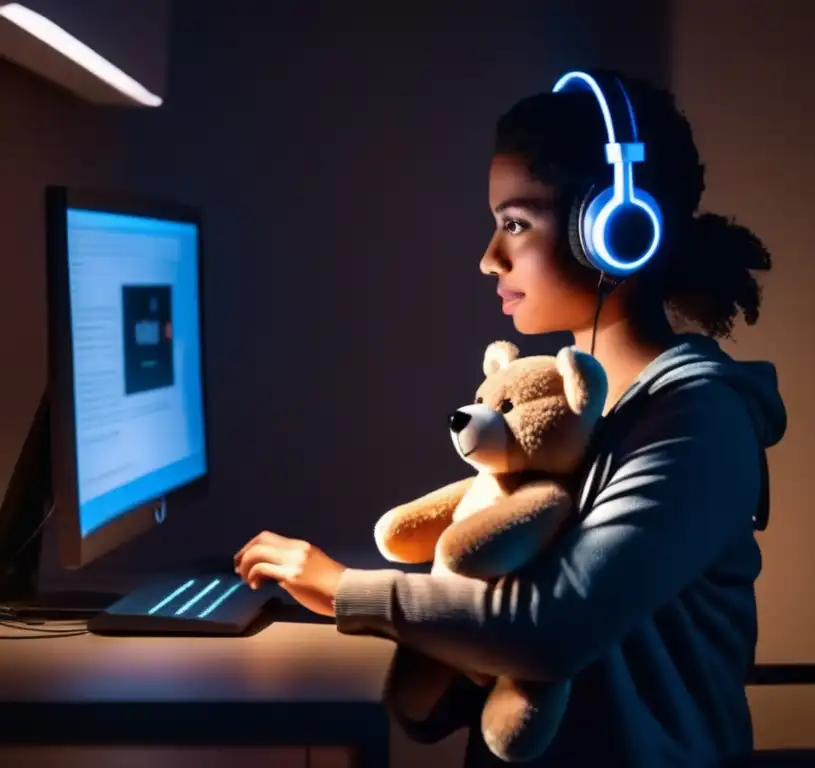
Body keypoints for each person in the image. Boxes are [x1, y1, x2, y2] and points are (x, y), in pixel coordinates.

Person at [234, 70, 786, 767]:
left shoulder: (697, 423)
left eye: (516, 224)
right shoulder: (563, 409)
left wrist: (346, 590)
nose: (489, 257)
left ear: (614, 230)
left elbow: (554, 625)